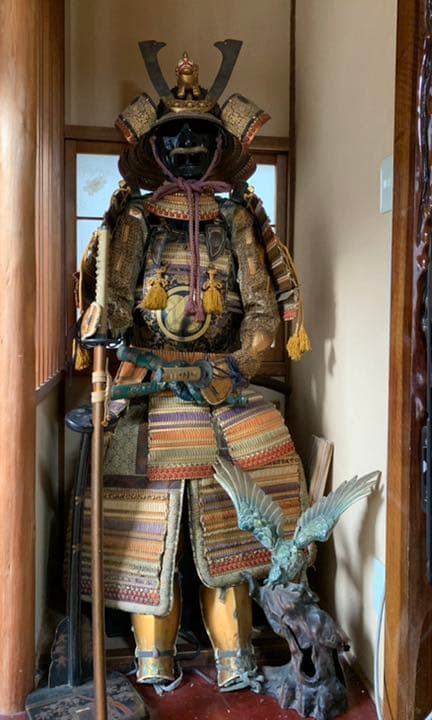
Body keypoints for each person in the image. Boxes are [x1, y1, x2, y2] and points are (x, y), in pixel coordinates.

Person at [76, 39, 310, 694]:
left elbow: (261, 309)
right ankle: (152, 652)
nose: (185, 147)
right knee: (145, 524)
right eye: (174, 137)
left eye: (199, 137)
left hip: (226, 383)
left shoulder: (239, 221)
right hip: (148, 382)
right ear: (154, 147)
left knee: (234, 516)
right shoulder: (135, 218)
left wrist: (238, 362)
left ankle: (236, 650)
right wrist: (101, 326)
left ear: (219, 147)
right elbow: (114, 297)